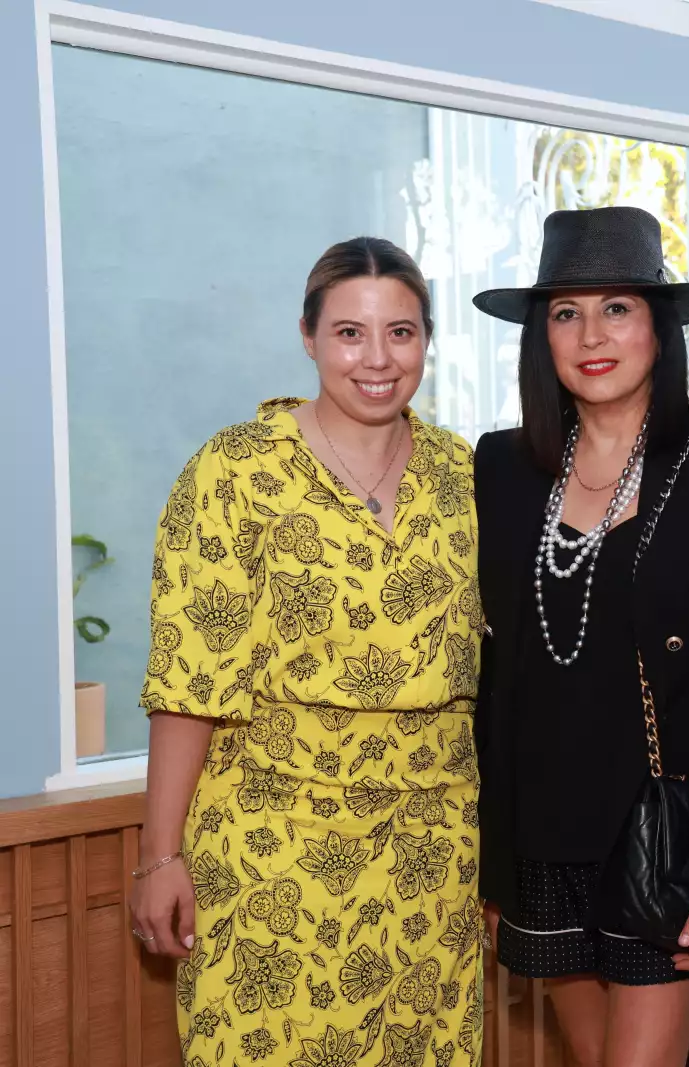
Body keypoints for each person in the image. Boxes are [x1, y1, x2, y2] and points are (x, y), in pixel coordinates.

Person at [129, 238, 486, 1066]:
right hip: (271, 853)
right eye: (350, 333)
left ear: (427, 340)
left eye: (400, 332)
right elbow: (188, 680)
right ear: (308, 336)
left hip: (432, 860)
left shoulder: (463, 474)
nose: (377, 358)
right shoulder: (233, 473)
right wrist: (159, 856)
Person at [472, 206, 689, 1067]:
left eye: (617, 307)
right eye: (565, 313)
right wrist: (495, 863)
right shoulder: (501, 468)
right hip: (543, 833)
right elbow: (499, 675)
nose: (590, 335)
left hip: (666, 834)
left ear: (661, 326)